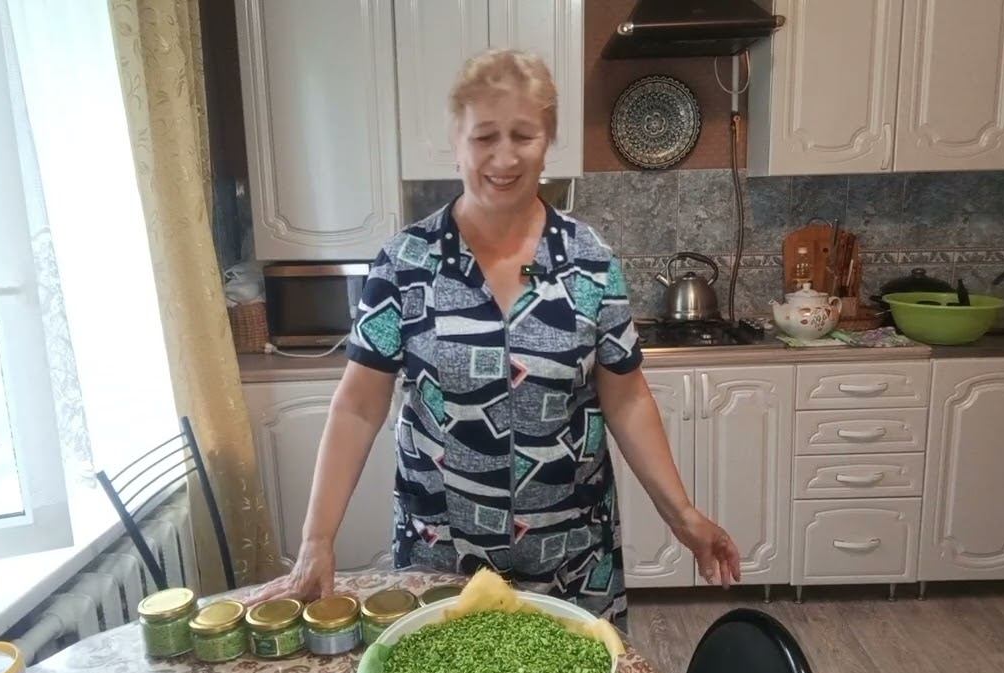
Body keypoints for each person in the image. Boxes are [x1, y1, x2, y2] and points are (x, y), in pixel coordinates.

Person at [247, 49, 740, 627]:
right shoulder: (404, 264)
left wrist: (681, 514)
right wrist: (316, 540)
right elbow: (357, 406)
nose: (504, 157)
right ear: (456, 143)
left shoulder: (590, 262)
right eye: (484, 137)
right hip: (441, 561)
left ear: (547, 143)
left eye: (523, 136)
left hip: (570, 559)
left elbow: (626, 398)